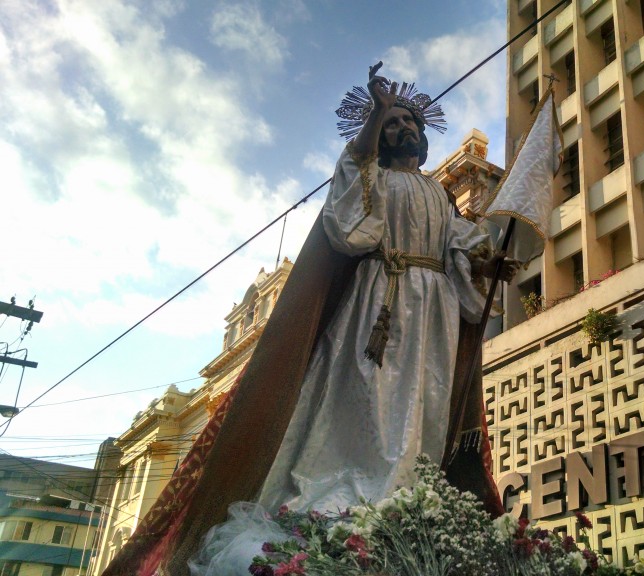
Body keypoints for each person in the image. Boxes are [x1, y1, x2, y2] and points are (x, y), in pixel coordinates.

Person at [102, 62, 515, 576]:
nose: (403, 128)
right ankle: (352, 504)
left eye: (410, 123)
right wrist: (373, 121)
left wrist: (485, 262)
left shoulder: (439, 195)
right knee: (369, 398)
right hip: (378, 303)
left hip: (433, 316)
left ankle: (409, 502)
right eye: (392, 123)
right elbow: (347, 225)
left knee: (422, 409)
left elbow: (462, 247)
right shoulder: (372, 176)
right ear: (377, 137)